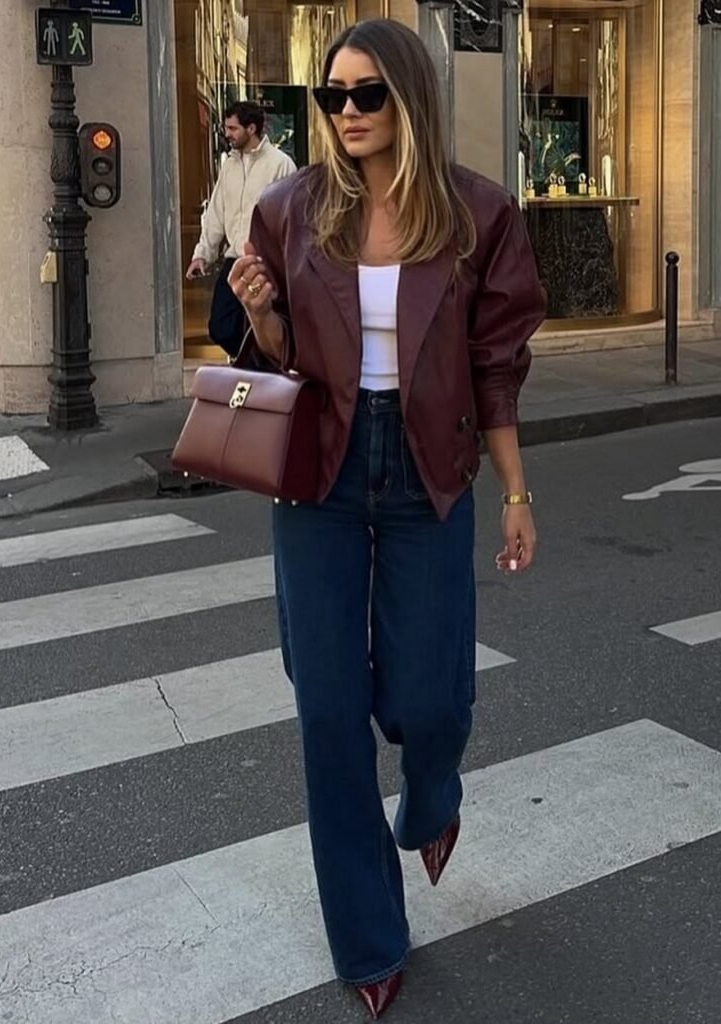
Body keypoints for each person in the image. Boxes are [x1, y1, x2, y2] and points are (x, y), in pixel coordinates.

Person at [229, 19, 545, 1020]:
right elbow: (262, 361)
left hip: (428, 470)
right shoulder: (289, 209)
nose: (350, 113)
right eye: (334, 96)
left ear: (408, 97)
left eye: (368, 94)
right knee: (327, 709)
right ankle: (368, 933)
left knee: (431, 696)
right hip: (317, 470)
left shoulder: (477, 215)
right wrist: (264, 316)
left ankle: (436, 789)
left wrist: (517, 492)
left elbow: (496, 370)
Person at [186, 101, 296, 357]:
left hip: (264, 263)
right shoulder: (229, 166)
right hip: (234, 260)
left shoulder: (281, 164)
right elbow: (216, 212)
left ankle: (258, 365)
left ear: (252, 128)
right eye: (226, 128)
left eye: (233, 128)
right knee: (220, 326)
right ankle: (254, 360)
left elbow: (290, 216)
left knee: (260, 320)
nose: (227, 134)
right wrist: (202, 254)